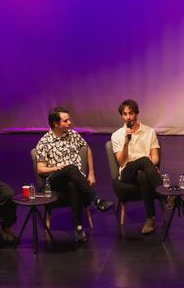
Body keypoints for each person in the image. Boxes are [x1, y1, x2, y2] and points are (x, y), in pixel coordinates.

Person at [35, 106, 113, 243]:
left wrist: (91, 173)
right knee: (70, 168)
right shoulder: (44, 142)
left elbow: (87, 149)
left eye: (69, 120)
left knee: (73, 185)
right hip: (54, 180)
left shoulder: (73, 135)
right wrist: (57, 167)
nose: (69, 123)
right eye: (65, 121)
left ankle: (78, 229)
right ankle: (96, 200)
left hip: (73, 179)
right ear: (55, 124)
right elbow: (40, 169)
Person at [111, 99, 163, 235]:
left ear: (137, 113)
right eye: (125, 114)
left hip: (145, 171)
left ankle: (150, 219)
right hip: (127, 172)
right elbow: (121, 162)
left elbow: (155, 157)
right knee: (144, 160)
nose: (128, 117)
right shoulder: (117, 135)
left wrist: (151, 166)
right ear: (122, 116)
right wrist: (126, 143)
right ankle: (164, 193)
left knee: (143, 175)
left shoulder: (149, 131)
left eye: (131, 113)